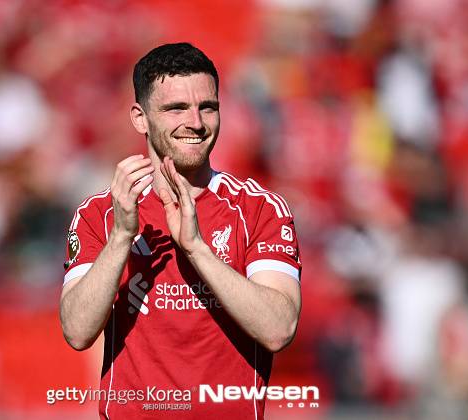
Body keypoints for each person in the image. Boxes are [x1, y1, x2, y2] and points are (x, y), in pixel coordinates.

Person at [60, 42, 302, 419]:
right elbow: (77, 331)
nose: (196, 123)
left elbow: (279, 328)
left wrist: (196, 249)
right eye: (176, 108)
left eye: (207, 107)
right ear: (140, 118)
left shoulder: (259, 209)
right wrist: (121, 237)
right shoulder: (100, 214)